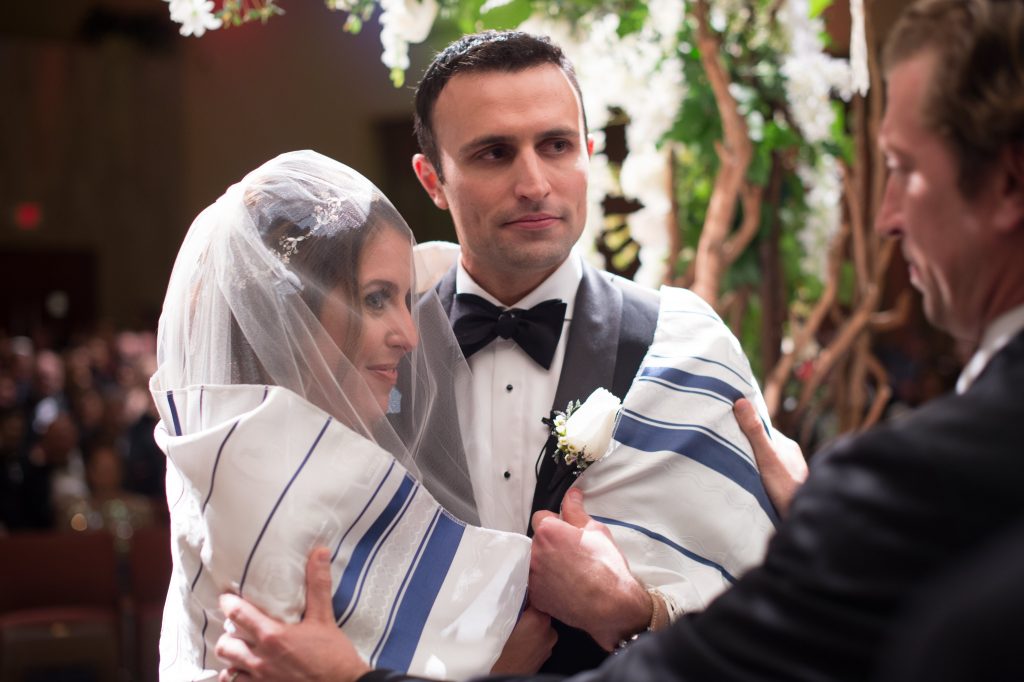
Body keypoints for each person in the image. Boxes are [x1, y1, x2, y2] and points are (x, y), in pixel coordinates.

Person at [213, 0, 1024, 679]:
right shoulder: (374, 347)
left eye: (556, 146)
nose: (534, 181)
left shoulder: (684, 339)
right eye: (494, 153)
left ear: (589, 154)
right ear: (433, 179)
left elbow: (763, 614)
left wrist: (638, 609)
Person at [152, 150, 535, 680]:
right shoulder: (272, 496)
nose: (409, 335)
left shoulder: (248, 455)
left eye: (406, 298)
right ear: (293, 312)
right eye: (376, 300)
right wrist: (502, 667)